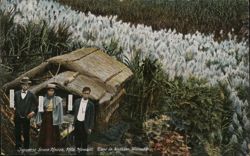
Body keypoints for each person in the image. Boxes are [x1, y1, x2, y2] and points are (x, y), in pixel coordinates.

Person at [36, 83, 64, 149]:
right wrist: (42, 110)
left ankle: (54, 147)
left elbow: (60, 111)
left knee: (54, 132)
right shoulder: (43, 99)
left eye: (52, 91)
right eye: (49, 90)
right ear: (47, 91)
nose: (51, 92)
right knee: (46, 132)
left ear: (54, 91)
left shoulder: (58, 99)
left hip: (54, 118)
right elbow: (40, 111)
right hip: (46, 118)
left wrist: (59, 120)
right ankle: (45, 146)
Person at [14, 76, 38, 150]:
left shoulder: (31, 95)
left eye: (26, 85)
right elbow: (12, 104)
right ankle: (18, 147)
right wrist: (14, 108)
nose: (25, 86)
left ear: (29, 86)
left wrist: (33, 112)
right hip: (17, 116)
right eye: (23, 85)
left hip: (27, 117)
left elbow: (38, 104)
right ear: (21, 85)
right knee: (17, 132)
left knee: (26, 133)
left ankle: (26, 148)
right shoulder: (16, 94)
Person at [73, 86, 95, 156]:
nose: (86, 95)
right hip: (77, 122)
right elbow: (73, 111)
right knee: (77, 139)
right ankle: (77, 153)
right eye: (85, 93)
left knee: (84, 140)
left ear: (89, 94)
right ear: (82, 93)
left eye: (88, 93)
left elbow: (92, 117)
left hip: (85, 124)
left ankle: (83, 153)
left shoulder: (91, 104)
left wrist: (90, 127)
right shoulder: (77, 101)